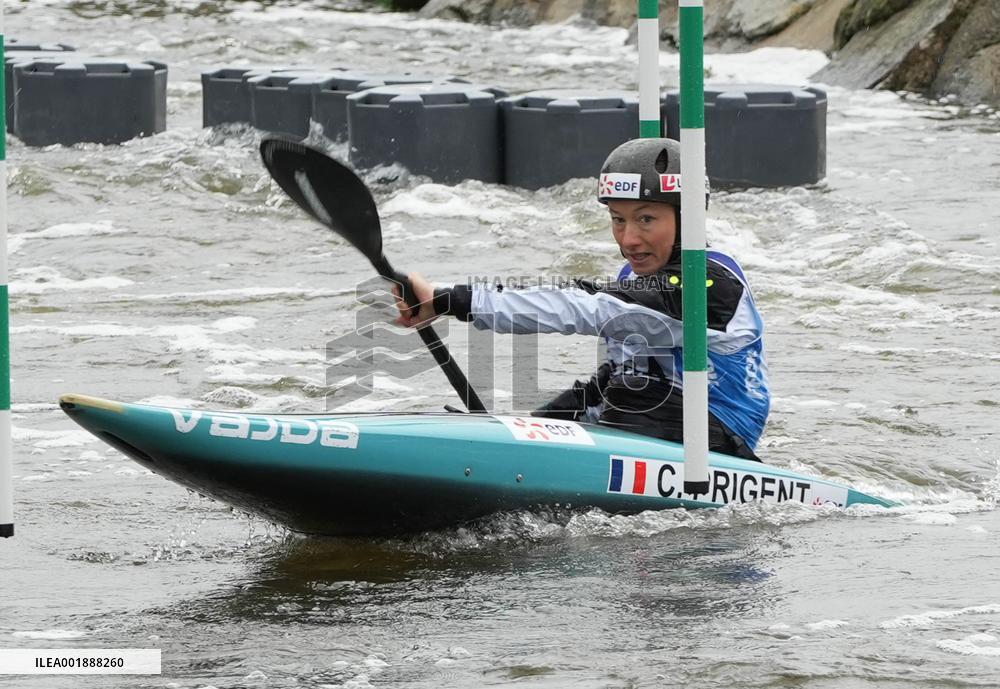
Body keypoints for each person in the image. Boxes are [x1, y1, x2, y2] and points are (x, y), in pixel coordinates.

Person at [393, 137, 769, 461]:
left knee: (633, 392)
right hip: (652, 409)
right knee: (571, 410)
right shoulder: (632, 278)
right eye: (618, 219)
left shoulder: (708, 281)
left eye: (646, 219)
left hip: (720, 441)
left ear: (688, 219)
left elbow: (583, 307)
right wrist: (526, 436)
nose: (628, 239)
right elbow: (613, 379)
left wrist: (450, 300)